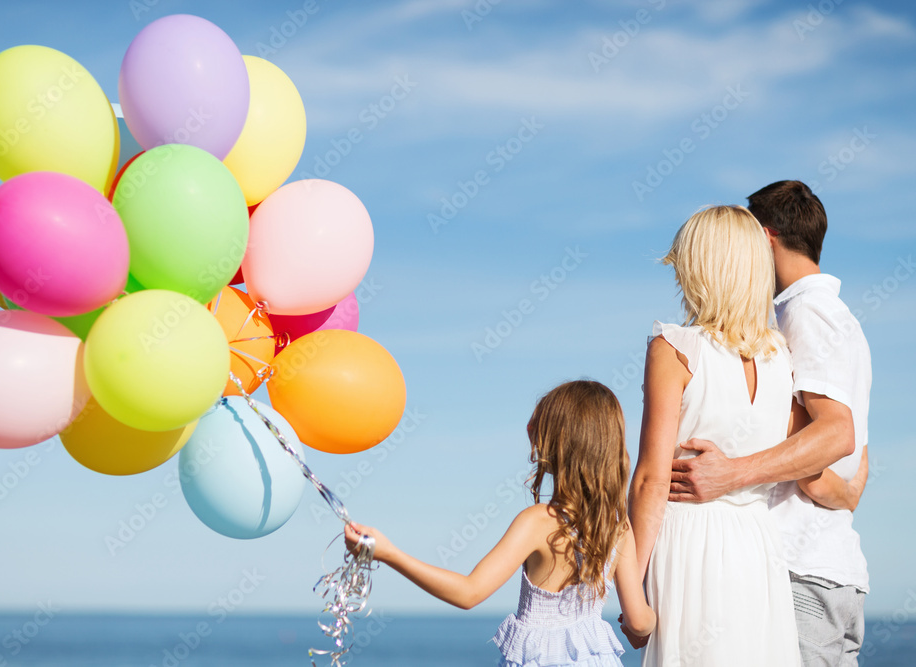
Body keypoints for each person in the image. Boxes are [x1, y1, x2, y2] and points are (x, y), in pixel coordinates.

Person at [670, 180, 871, 665]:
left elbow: (835, 433)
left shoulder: (802, 312)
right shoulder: (840, 319)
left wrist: (732, 474)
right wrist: (841, 492)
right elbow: (838, 439)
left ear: (764, 236)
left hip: (800, 571)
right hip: (832, 570)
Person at [345, 380, 656, 667]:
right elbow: (640, 622)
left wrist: (388, 553)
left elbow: (469, 593)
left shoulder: (537, 522)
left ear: (560, 443)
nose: (529, 429)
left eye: (540, 425)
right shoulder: (616, 526)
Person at [629, 205, 802, 666]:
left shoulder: (675, 348)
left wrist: (633, 582)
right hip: (758, 543)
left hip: (692, 542)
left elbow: (650, 479)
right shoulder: (781, 358)